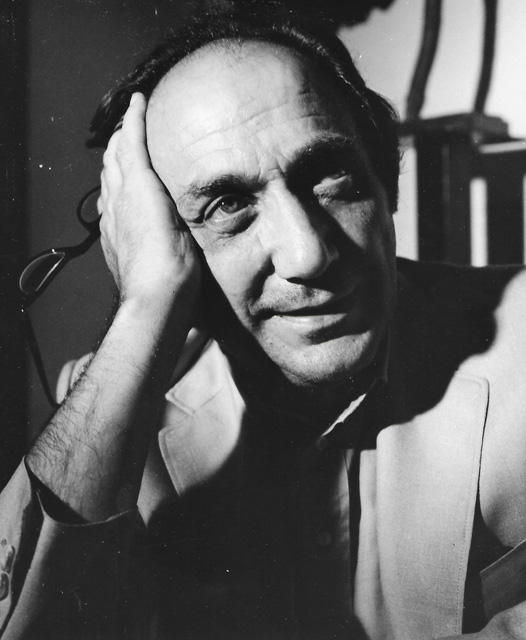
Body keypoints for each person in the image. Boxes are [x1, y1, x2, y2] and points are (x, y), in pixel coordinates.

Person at [1, 5, 526, 639]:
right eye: (228, 205)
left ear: (385, 183)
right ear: (160, 237)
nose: (307, 254)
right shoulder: (115, 407)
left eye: (330, 176)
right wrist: (145, 305)